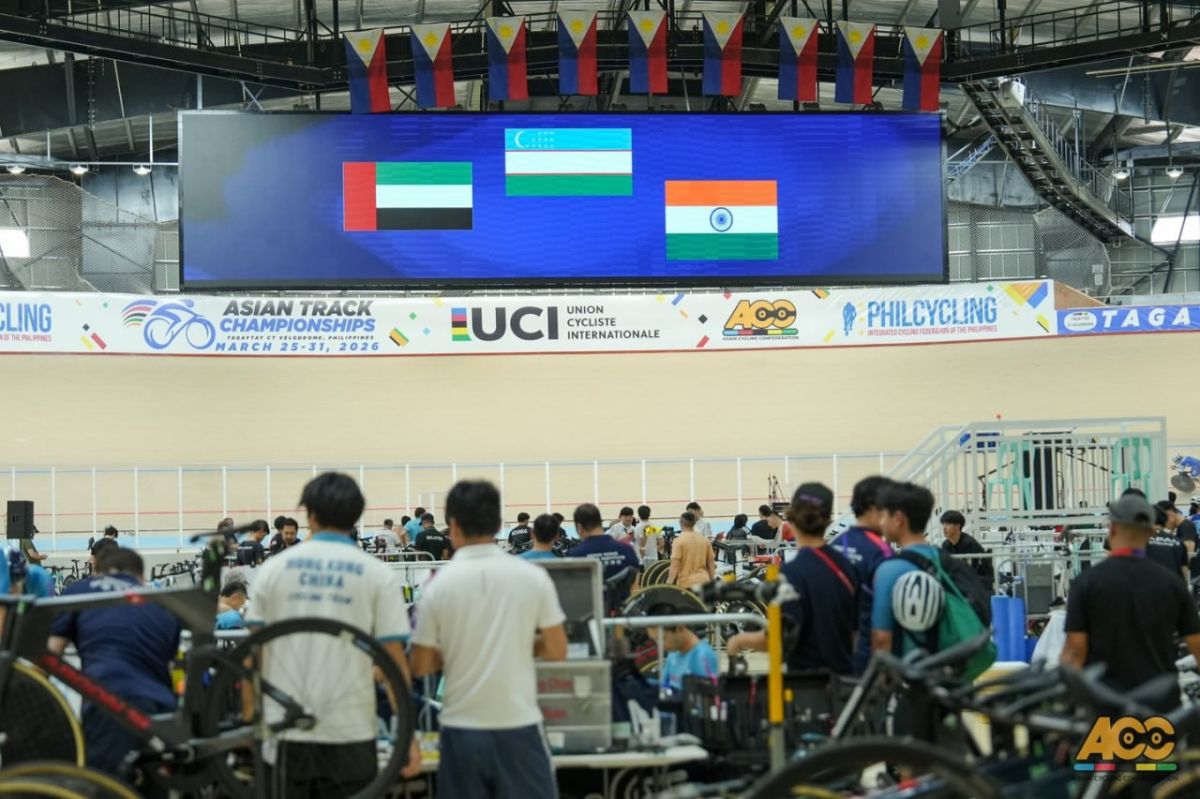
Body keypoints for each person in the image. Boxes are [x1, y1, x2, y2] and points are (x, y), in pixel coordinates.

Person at [246, 472, 421, 793]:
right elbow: (394, 664)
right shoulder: (378, 574)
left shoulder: (273, 570)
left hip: (286, 732)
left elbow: (254, 654)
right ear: (355, 517)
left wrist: (247, 725)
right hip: (352, 733)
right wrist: (407, 736)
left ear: (310, 515)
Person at [411, 480, 567, 799]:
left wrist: (457, 648)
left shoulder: (436, 587)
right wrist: (518, 642)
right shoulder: (533, 577)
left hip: (461, 730)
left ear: (453, 527)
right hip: (519, 726)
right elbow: (557, 649)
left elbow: (422, 664)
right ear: (498, 525)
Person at [48, 547, 181, 778]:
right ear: (140, 577)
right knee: (151, 785)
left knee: (108, 786)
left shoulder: (81, 590)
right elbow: (169, 663)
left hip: (109, 701)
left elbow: (51, 654)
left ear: (97, 572)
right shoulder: (162, 605)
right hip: (161, 708)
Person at [1062, 493, 1200, 709]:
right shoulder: (1172, 584)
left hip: (1105, 704)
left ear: (1112, 529)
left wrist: (1068, 703)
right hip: (1161, 707)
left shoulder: (1087, 583)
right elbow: (1197, 645)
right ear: (1150, 532)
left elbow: (1075, 651)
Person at [727, 484, 858, 675]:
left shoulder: (791, 574)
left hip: (807, 681)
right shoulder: (846, 567)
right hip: (845, 676)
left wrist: (738, 641)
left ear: (793, 519)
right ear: (827, 520)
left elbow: (777, 637)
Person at [831, 476, 895, 675]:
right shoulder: (881, 552)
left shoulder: (837, 544)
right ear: (875, 509)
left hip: (834, 655)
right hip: (867, 658)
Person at [870, 481, 942, 656]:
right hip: (950, 665)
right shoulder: (945, 561)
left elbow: (882, 637)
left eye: (884, 516)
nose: (881, 522)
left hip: (909, 667)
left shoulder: (890, 570)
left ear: (898, 519)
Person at [568, 503, 641, 605]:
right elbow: (635, 588)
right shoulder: (627, 550)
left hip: (591, 611)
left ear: (579, 527)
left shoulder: (575, 555)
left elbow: (573, 592)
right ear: (600, 523)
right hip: (623, 610)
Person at [648, 603, 719, 691]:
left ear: (680, 627)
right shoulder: (674, 651)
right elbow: (663, 684)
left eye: (663, 638)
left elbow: (711, 695)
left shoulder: (702, 656)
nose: (660, 645)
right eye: (655, 640)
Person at [939, 510, 993, 589]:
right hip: (961, 581)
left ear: (958, 526)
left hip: (979, 582)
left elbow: (971, 570)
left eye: (948, 524)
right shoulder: (945, 545)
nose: (944, 528)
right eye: (943, 524)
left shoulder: (969, 543)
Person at [667, 511, 715, 590]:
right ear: (694, 523)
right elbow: (711, 563)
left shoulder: (678, 541)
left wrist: (668, 583)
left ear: (681, 523)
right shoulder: (705, 540)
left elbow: (675, 566)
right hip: (703, 581)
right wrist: (712, 581)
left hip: (687, 584)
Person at [1146, 503, 1188, 581]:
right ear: (1165, 520)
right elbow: (1184, 572)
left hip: (1149, 585)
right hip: (1174, 585)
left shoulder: (1142, 542)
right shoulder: (1179, 542)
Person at [1160, 500, 1199, 570]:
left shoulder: (1186, 526)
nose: (1165, 525)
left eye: (1164, 520)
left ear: (1170, 513)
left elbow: (1189, 553)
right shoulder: (1182, 526)